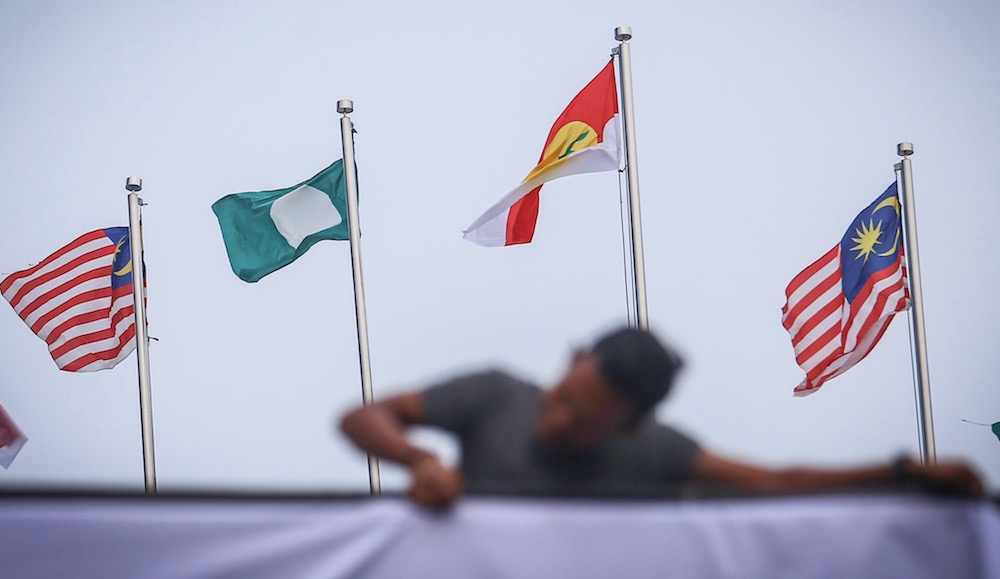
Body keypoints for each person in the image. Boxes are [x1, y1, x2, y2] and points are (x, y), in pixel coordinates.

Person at [339, 327, 983, 508]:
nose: (556, 421)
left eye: (584, 421)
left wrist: (903, 473)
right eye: (562, 398)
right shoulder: (496, 396)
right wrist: (419, 461)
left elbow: (781, 484)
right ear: (572, 359)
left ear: (630, 428)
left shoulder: (657, 453)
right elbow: (365, 416)